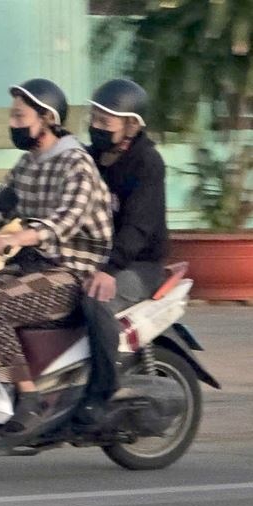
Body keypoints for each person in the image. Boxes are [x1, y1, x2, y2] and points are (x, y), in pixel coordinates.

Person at [0, 78, 114, 440]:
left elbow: (66, 219)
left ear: (47, 118)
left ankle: (27, 396)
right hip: (35, 266)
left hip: (72, 271)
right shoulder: (28, 164)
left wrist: (16, 237)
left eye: (19, 116)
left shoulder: (76, 164)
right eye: (11, 116)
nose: (12, 124)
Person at [79, 78, 169, 416]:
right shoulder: (92, 158)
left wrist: (109, 270)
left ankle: (105, 391)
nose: (95, 128)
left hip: (140, 265)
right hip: (101, 258)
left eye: (105, 122)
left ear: (130, 125)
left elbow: (138, 228)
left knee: (94, 299)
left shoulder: (147, 164)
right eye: (93, 119)